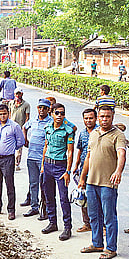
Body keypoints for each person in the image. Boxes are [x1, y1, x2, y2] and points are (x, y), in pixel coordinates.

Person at [79, 105, 127, 259]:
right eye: (102, 116)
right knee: (93, 215)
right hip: (91, 182)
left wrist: (118, 171)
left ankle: (111, 248)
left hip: (108, 183)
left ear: (112, 117)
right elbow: (88, 157)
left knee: (109, 217)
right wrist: (82, 178)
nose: (104, 119)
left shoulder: (118, 135)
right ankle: (97, 243)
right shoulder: (93, 133)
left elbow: (121, 154)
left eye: (108, 116)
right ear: (98, 117)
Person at [41, 103, 75, 240]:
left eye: (62, 113)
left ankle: (67, 227)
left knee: (63, 198)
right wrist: (43, 165)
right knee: (49, 196)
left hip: (61, 167)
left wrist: (68, 171)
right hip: (48, 164)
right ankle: (52, 222)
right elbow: (45, 146)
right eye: (57, 113)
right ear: (51, 114)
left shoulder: (68, 131)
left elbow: (70, 152)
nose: (59, 116)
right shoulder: (47, 128)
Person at [0, 103, 25, 221]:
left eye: (5, 114)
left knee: (9, 184)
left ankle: (11, 210)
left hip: (8, 159)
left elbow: (20, 141)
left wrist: (11, 149)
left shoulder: (14, 126)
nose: (3, 116)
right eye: (0, 114)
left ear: (9, 113)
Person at [21, 98, 52, 218]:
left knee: (44, 184)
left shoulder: (51, 122)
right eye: (40, 107)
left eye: (45, 108)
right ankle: (34, 206)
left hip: (44, 158)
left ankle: (46, 209)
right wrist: (25, 139)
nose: (42, 110)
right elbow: (24, 127)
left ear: (48, 109)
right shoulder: (33, 120)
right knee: (33, 183)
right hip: (31, 156)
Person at [72, 108, 97, 233]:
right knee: (83, 197)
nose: (88, 120)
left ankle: (100, 225)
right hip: (83, 170)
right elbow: (80, 150)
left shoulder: (100, 132)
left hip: (97, 170)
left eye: (91, 118)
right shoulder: (82, 133)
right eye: (86, 118)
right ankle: (86, 223)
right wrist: (76, 166)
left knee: (97, 198)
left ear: (95, 119)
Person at [9, 90, 31, 171]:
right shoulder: (11, 103)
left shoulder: (26, 105)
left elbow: (27, 117)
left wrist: (24, 128)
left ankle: (17, 163)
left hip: (20, 128)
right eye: (16, 94)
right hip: (11, 127)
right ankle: (11, 162)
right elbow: (9, 113)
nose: (18, 95)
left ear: (22, 94)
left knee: (19, 148)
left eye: (19, 93)